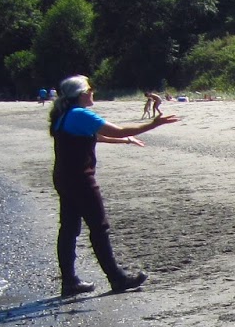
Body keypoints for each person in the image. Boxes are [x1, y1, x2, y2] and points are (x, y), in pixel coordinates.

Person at [48, 75, 174, 296]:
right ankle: (117, 279)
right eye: (89, 89)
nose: (92, 92)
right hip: (80, 179)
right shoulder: (79, 114)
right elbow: (118, 129)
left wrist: (124, 141)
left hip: (64, 178)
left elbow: (96, 136)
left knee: (68, 229)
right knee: (99, 227)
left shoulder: (64, 115)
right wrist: (153, 124)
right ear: (81, 94)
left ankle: (69, 282)